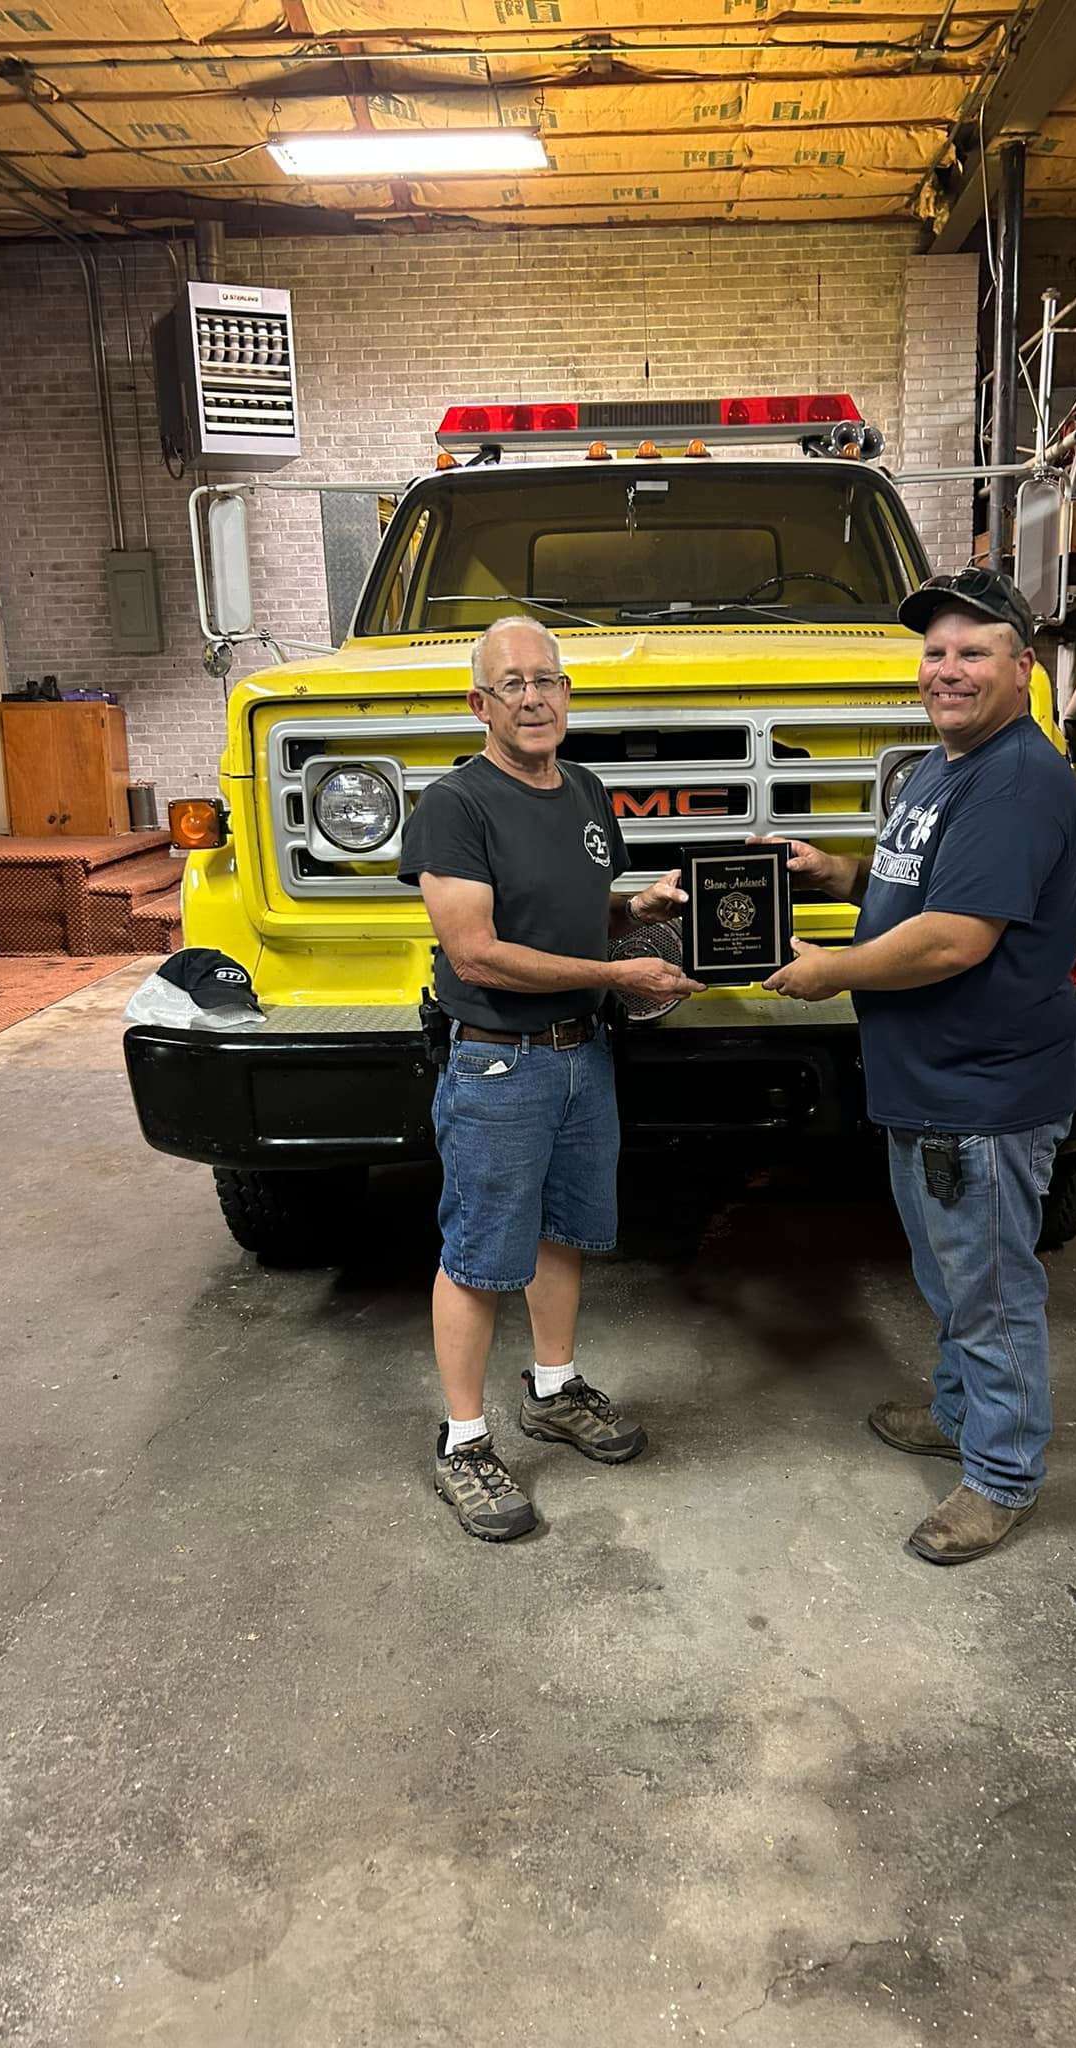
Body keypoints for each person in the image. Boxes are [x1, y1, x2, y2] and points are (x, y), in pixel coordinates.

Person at [763, 567, 1076, 1564]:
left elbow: (955, 937)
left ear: (1022, 667)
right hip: (934, 1080)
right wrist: (842, 872)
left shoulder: (1019, 777)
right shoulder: (948, 767)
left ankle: (1000, 1474)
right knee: (952, 1274)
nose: (948, 669)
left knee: (988, 1287)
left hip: (983, 1090)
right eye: (937, 651)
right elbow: (925, 885)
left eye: (974, 650)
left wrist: (832, 971)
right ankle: (958, 1412)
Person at [399, 617, 701, 1542]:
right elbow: (480, 954)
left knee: (564, 1234)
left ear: (567, 693)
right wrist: (620, 975)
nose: (533, 698)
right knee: (481, 1256)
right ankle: (462, 1442)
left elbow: (570, 914)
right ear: (478, 703)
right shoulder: (457, 806)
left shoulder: (585, 790)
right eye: (511, 684)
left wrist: (631, 912)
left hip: (582, 1055)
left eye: (547, 680)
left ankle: (555, 1390)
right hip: (500, 1060)